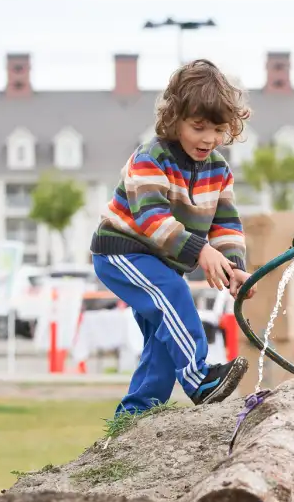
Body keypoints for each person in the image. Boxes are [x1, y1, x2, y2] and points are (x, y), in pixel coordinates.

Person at [91, 59, 254, 417]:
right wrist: (201, 251)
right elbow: (152, 219)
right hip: (122, 251)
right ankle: (199, 379)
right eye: (198, 127)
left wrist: (234, 269)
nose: (209, 138)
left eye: (218, 129)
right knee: (174, 294)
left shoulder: (218, 169)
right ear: (175, 119)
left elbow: (226, 221)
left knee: (163, 338)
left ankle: (136, 412)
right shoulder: (151, 158)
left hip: (161, 259)